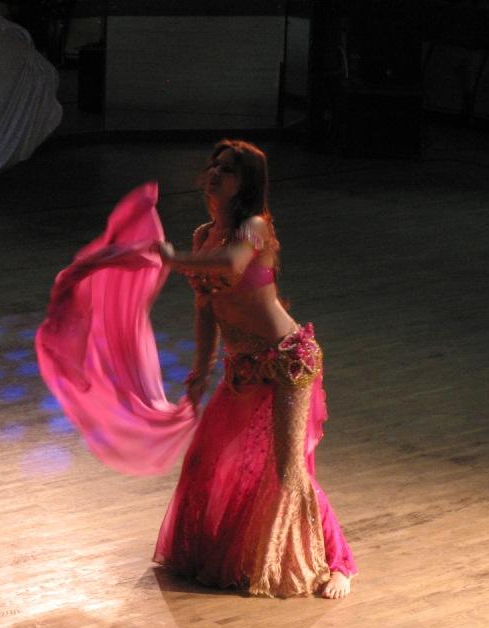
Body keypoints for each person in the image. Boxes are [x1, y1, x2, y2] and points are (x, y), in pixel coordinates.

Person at [151, 140, 357, 599]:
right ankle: (236, 552)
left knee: (287, 470)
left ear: (246, 183)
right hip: (243, 367)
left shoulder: (255, 228)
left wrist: (171, 260)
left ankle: (338, 563)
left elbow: (230, 264)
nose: (216, 173)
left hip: (288, 362)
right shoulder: (204, 236)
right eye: (214, 165)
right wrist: (200, 371)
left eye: (228, 169)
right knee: (206, 459)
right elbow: (206, 307)